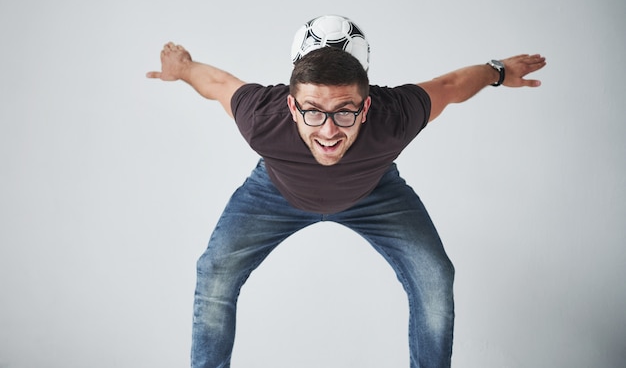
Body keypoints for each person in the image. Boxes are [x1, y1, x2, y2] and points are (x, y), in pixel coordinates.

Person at [147, 36, 546, 368]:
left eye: (344, 112)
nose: (329, 130)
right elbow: (216, 83)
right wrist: (181, 69)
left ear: (366, 107)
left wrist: (497, 71)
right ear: (291, 107)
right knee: (213, 270)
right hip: (275, 192)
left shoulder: (395, 117)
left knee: (435, 276)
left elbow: (450, 87)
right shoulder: (261, 117)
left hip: (373, 193)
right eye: (313, 113)